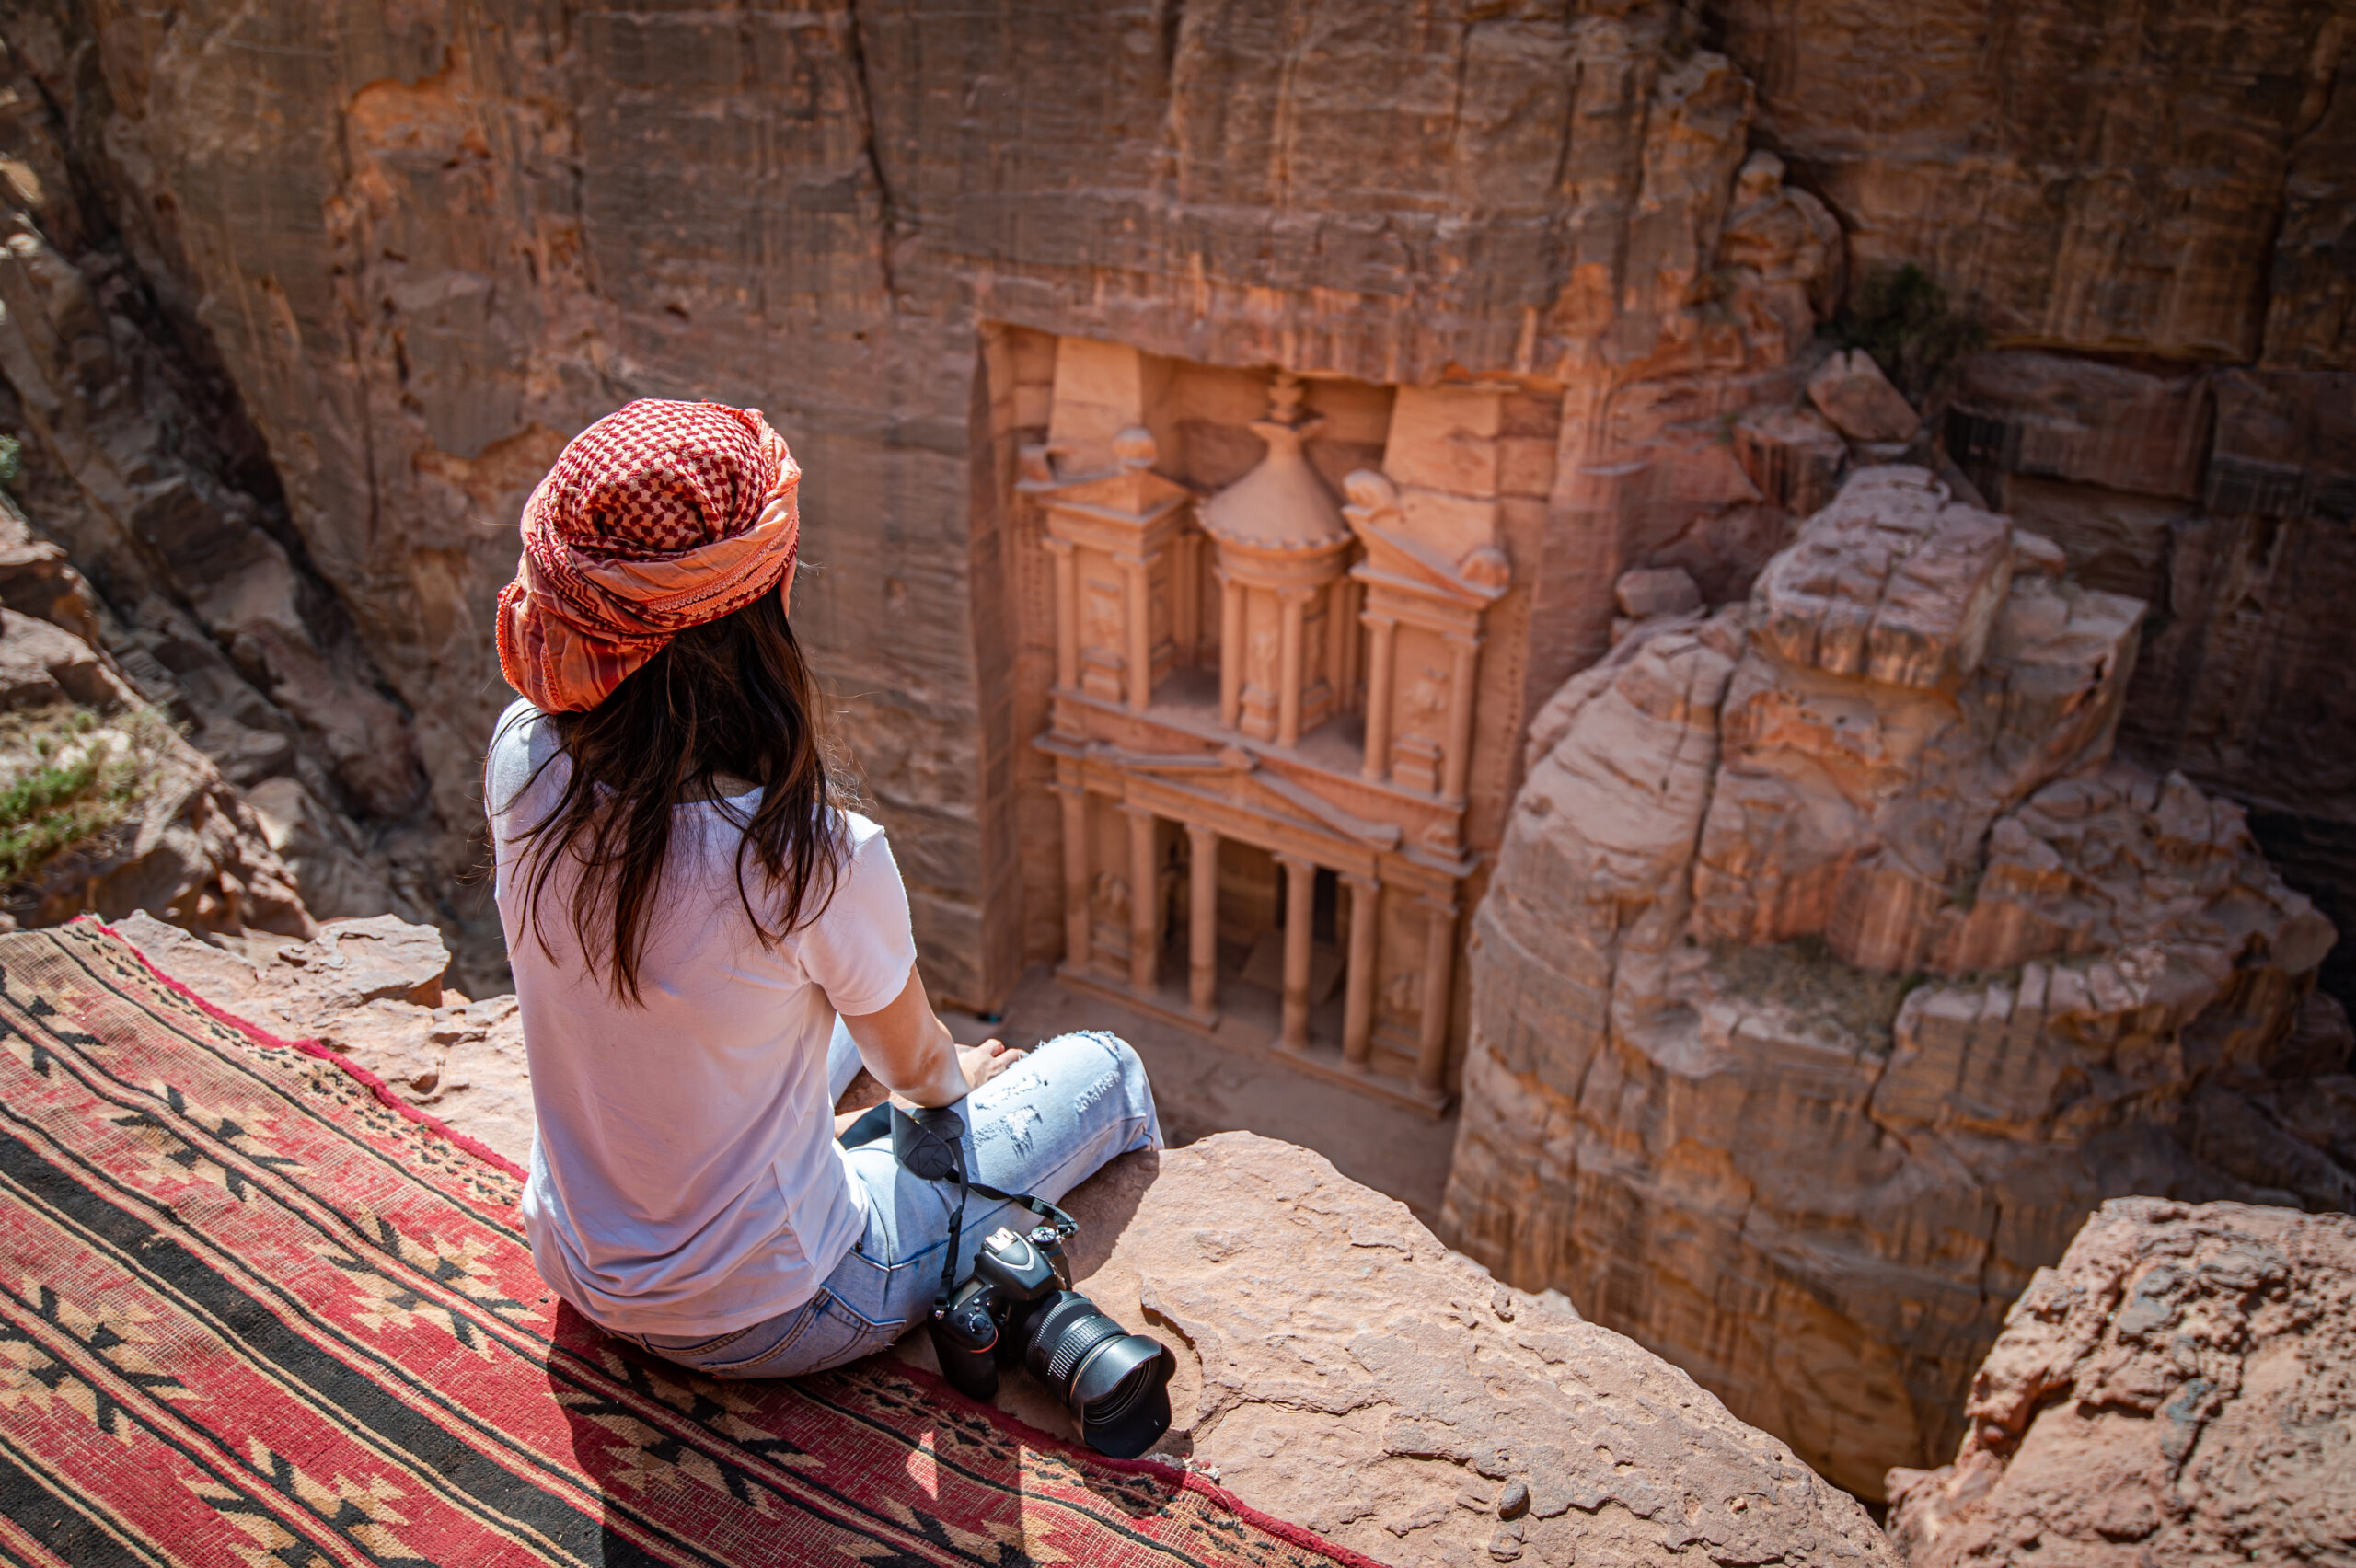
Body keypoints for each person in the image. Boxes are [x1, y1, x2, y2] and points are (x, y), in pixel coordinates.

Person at [485, 398, 1160, 1378]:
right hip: (779, 1307)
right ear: (763, 607)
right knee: (1107, 1072)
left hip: (576, 1262)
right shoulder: (807, 856)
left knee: (793, 1004)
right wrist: (947, 1082)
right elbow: (920, 1072)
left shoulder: (521, 758)